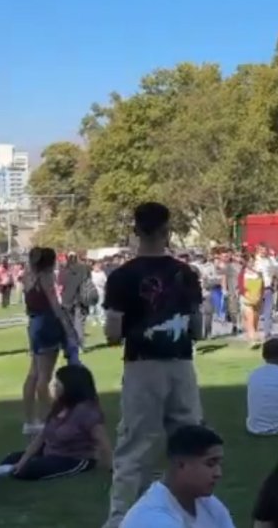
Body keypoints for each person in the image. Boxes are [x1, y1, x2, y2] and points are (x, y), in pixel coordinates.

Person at [103, 202, 205, 528]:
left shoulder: (121, 276)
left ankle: (121, 518)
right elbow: (198, 328)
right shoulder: (186, 273)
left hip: (142, 365)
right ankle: (193, 513)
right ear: (167, 230)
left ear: (135, 230)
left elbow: (113, 332)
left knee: (134, 446)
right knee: (189, 441)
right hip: (180, 364)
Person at [0, 364, 111, 480]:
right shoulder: (59, 406)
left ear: (70, 386)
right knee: (11, 459)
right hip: (51, 452)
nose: (53, 386)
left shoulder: (87, 411)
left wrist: (111, 467)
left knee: (28, 471)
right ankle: (16, 468)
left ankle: (18, 469)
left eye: (58, 383)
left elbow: (103, 442)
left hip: (73, 458)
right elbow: (41, 437)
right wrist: (24, 459)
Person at [120, 425, 236, 528]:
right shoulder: (152, 518)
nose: (218, 473)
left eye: (219, 464)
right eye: (210, 464)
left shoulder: (208, 505)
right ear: (181, 465)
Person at [21, 247, 77, 435]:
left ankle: (30, 420)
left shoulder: (28, 277)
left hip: (34, 323)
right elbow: (54, 305)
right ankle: (55, 416)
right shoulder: (46, 277)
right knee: (45, 375)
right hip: (47, 323)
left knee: (34, 373)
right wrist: (68, 328)